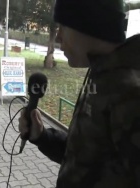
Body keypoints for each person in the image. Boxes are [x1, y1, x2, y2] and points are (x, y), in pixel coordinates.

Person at [18, 0, 140, 187]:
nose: (58, 37)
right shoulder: (103, 74)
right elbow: (85, 156)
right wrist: (42, 136)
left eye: (63, 27)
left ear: (89, 24)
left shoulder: (130, 93)